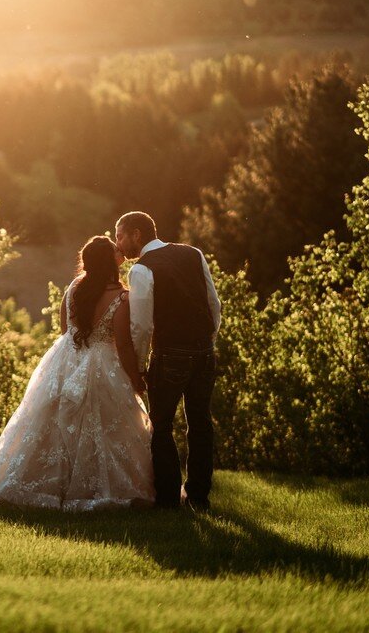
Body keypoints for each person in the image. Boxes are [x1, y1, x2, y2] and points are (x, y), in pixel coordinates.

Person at [0, 235, 155, 510]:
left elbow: (65, 331)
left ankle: (47, 485)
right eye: (115, 251)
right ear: (110, 262)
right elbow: (125, 344)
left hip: (67, 357)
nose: (120, 252)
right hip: (102, 361)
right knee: (102, 425)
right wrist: (135, 378)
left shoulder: (74, 289)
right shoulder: (121, 298)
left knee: (51, 424)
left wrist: (75, 357)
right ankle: (93, 489)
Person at [115, 211, 221, 512]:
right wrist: (206, 339)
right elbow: (214, 303)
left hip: (170, 354)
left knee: (161, 426)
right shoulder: (193, 253)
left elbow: (142, 326)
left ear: (137, 234)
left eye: (120, 236)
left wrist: (137, 366)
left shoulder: (141, 270)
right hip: (204, 352)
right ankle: (199, 498)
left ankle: (169, 499)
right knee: (200, 423)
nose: (118, 244)